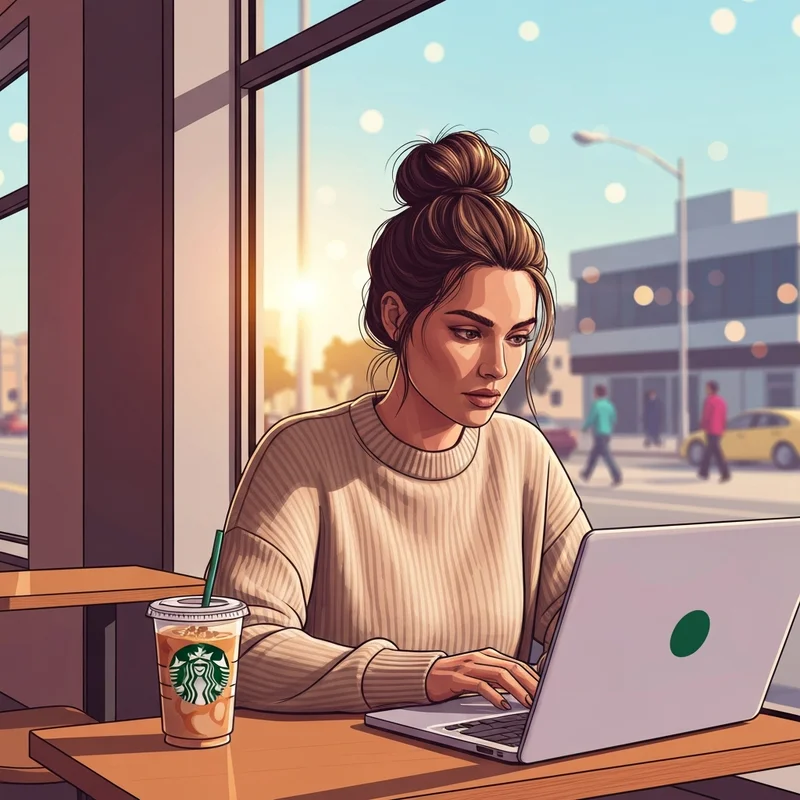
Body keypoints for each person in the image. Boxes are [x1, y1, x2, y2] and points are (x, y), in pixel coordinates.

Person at [211, 131, 592, 715]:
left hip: (484, 766)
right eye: (467, 333)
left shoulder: (524, 456)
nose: (498, 367)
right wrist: (425, 676)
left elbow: (585, 622)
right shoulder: (303, 454)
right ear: (395, 316)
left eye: (517, 338)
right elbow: (241, 650)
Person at [579, 384, 622, 486]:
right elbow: (614, 419)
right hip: (607, 433)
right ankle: (586, 474)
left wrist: (584, 428)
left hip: (599, 433)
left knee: (607, 456)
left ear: (597, 393)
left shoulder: (597, 405)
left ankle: (617, 476)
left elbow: (591, 418)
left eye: (594, 392)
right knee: (594, 455)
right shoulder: (609, 405)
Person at [698, 380, 730, 482]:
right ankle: (704, 472)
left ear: (711, 389)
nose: (706, 390)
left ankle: (724, 473)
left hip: (711, 429)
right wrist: (723, 428)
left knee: (712, 452)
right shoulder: (722, 401)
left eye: (707, 388)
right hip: (719, 430)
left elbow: (706, 416)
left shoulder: (709, 400)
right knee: (713, 452)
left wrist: (702, 426)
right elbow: (724, 416)